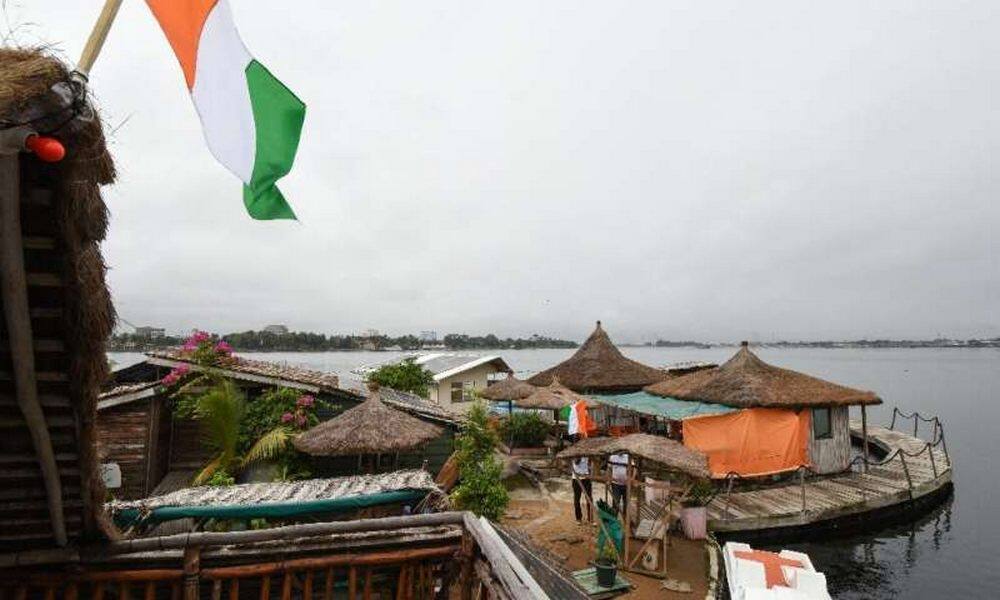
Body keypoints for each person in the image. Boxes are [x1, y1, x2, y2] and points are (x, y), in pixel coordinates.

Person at [571, 455, 593, 523]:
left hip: (586, 478)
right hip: (576, 478)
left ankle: (590, 518)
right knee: (577, 499)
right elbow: (576, 462)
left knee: (589, 498)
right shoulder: (574, 453)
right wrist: (579, 455)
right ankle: (578, 518)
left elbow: (590, 464)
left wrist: (590, 475)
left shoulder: (587, 454)